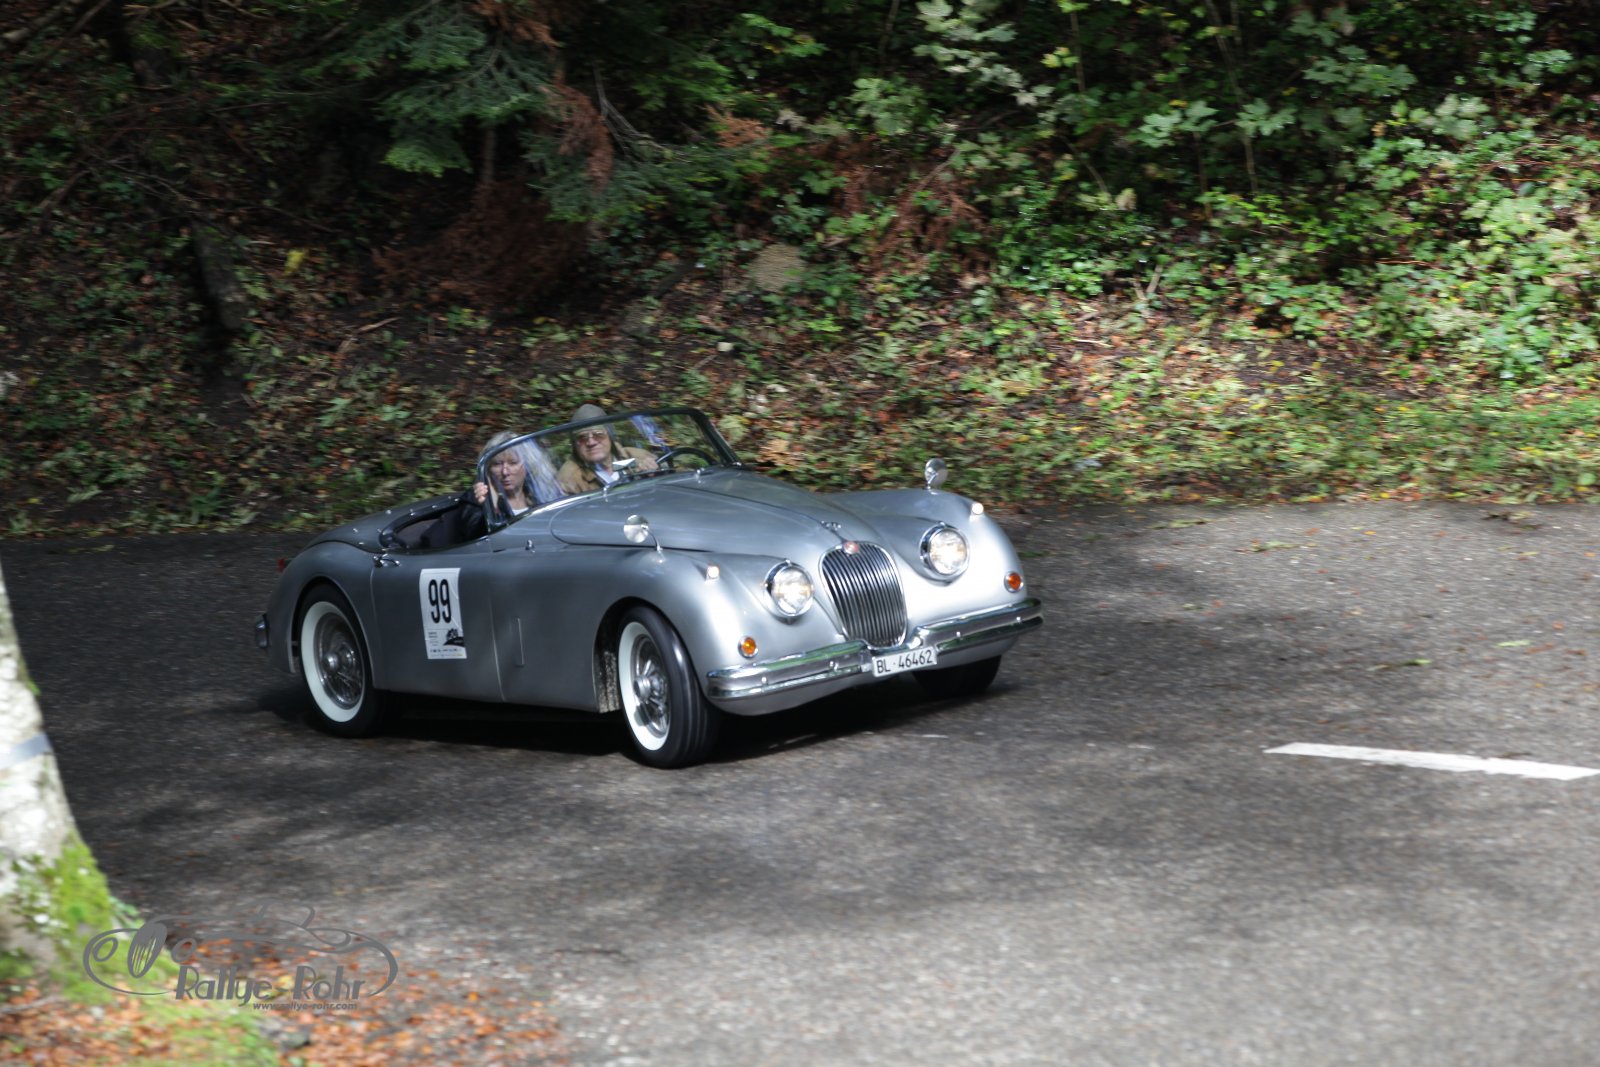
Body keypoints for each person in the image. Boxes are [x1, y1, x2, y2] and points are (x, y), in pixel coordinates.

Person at [557, 404, 658, 494]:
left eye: (598, 434)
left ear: (610, 436)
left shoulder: (638, 456)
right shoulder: (569, 479)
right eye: (582, 437)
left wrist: (653, 473)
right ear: (575, 443)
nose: (591, 442)